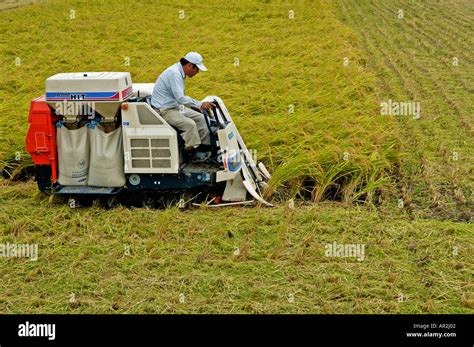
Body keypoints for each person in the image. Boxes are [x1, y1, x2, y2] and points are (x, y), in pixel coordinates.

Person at [151, 52, 215, 161]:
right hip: (164, 110)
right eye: (197, 69)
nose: (197, 72)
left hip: (175, 107)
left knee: (201, 118)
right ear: (190, 65)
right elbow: (180, 98)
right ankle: (192, 154)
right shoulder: (174, 74)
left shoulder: (178, 72)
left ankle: (205, 149)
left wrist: (197, 106)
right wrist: (200, 104)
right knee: (190, 125)